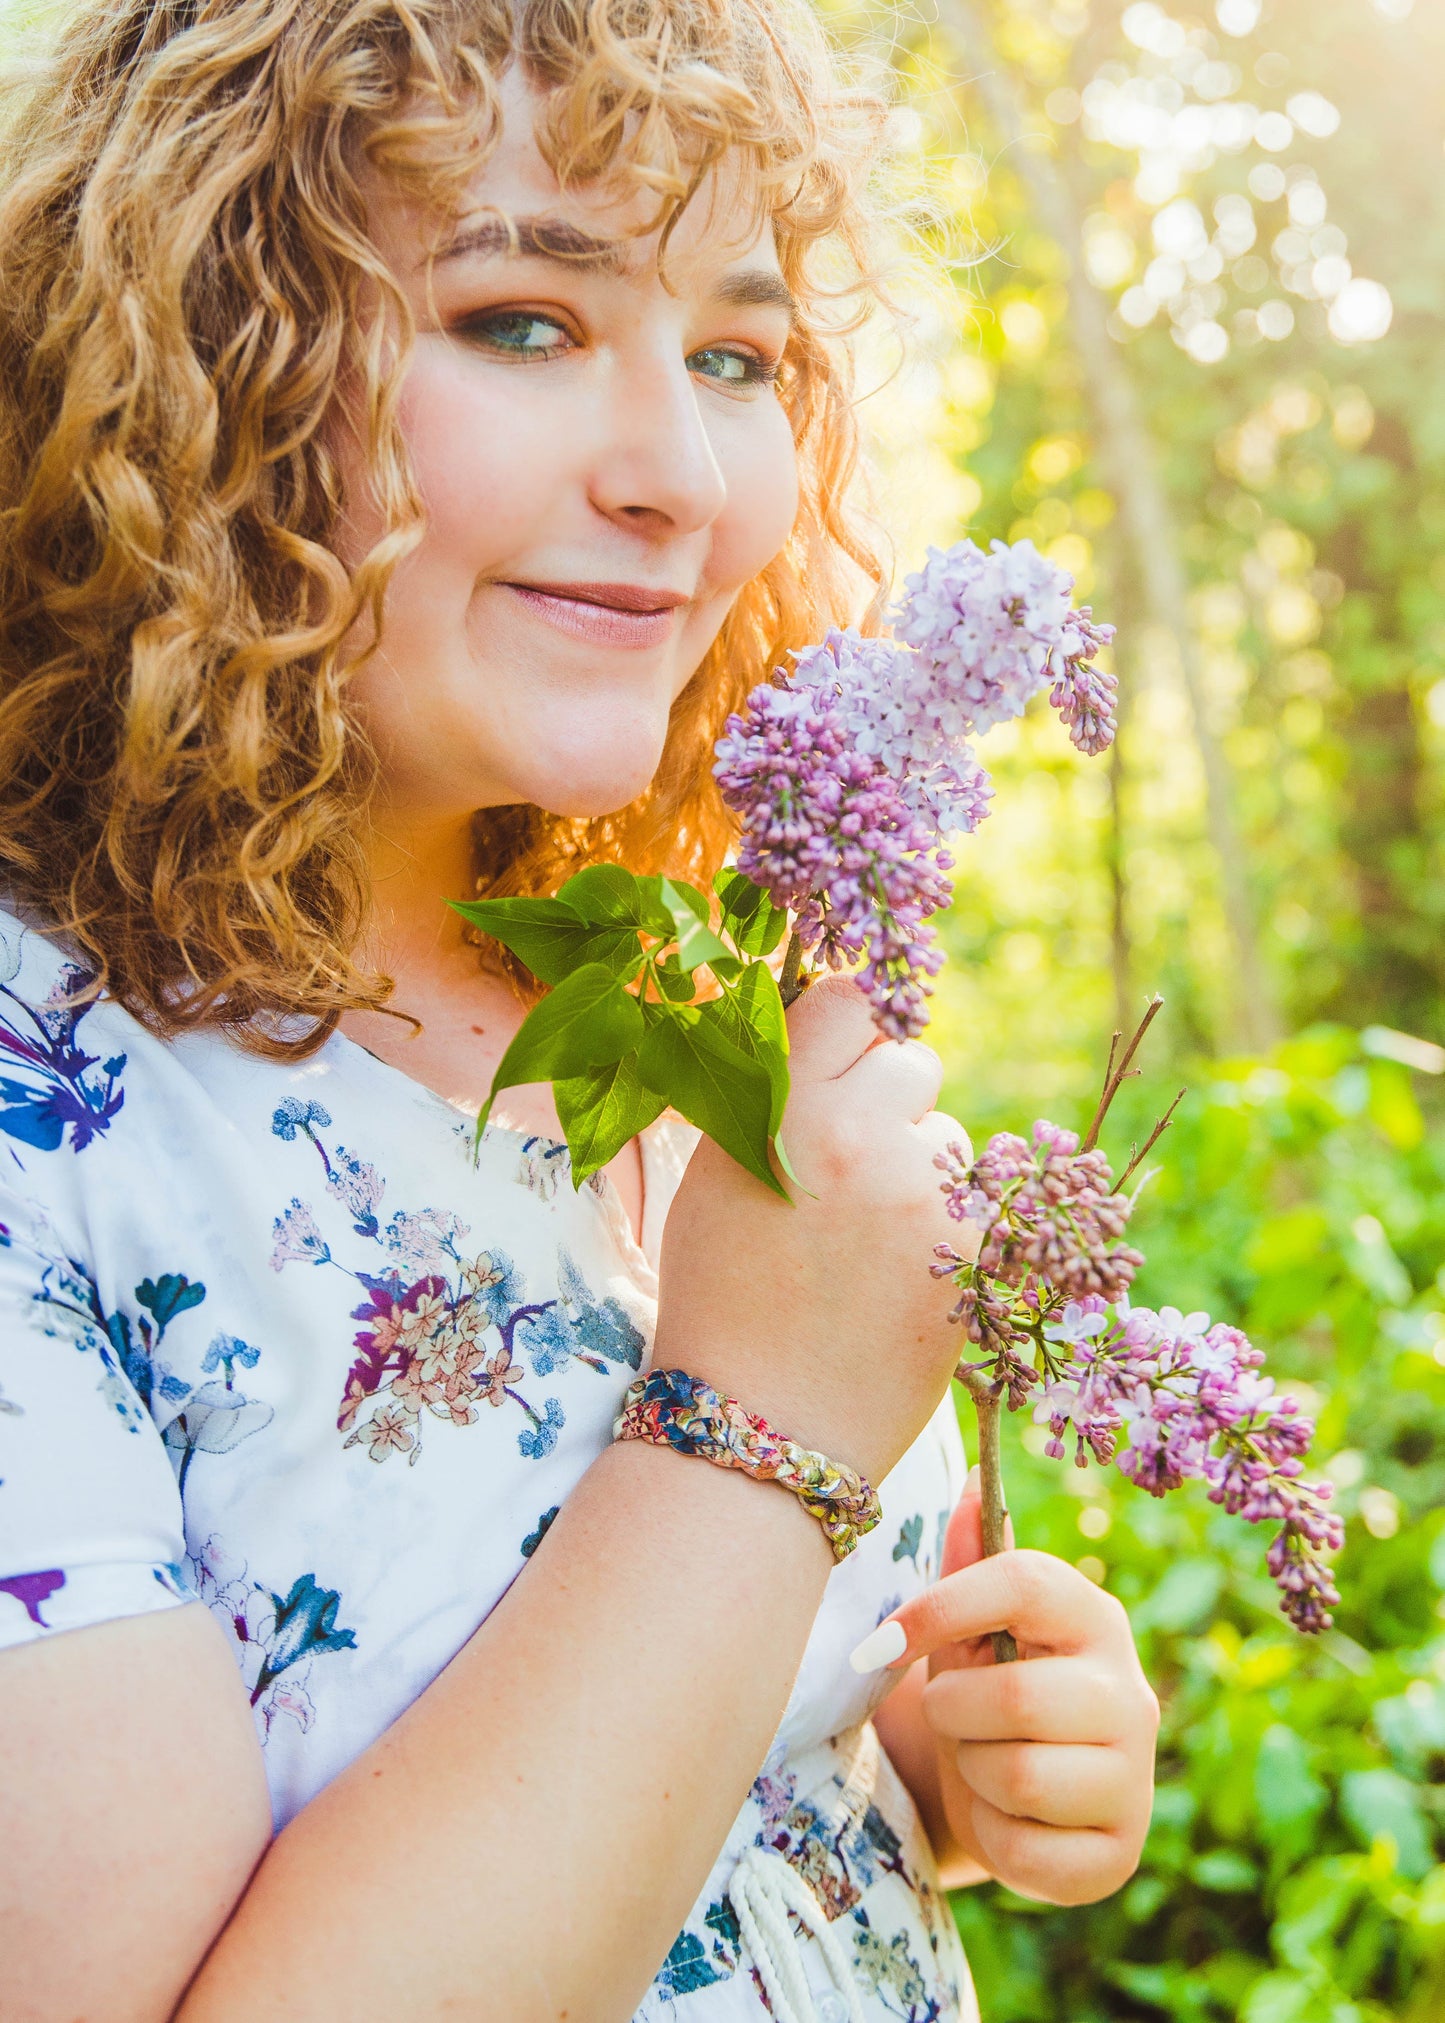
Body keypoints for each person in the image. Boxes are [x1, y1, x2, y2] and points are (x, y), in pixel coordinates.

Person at [0, 2, 1160, 2018]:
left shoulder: (673, 981)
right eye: (523, 319)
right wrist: (760, 1433)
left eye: (735, 355)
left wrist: (921, 1759)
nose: (686, 477)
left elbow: (667, 1752)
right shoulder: (49, 1132)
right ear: (185, 365)